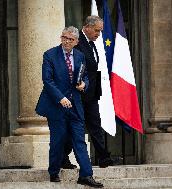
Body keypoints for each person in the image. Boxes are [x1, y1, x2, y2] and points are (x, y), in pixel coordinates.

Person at [35, 26, 103, 188]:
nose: (66, 41)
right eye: (64, 37)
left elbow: (84, 75)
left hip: (75, 106)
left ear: (76, 42)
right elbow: (48, 80)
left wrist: (84, 84)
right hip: (57, 106)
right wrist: (60, 98)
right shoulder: (50, 55)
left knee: (79, 140)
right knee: (58, 140)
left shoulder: (79, 56)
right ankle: (53, 171)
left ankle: (86, 175)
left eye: (70, 39)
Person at [62, 16, 121, 169]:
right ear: (87, 27)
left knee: (95, 124)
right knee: (76, 127)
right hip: (78, 94)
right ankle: (62, 156)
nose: (99, 34)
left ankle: (103, 158)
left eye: (100, 31)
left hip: (91, 93)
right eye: (96, 30)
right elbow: (71, 66)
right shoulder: (77, 41)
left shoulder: (91, 44)